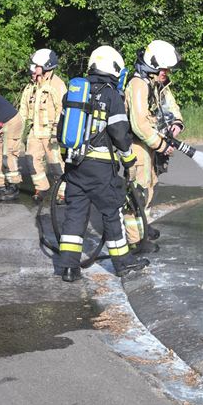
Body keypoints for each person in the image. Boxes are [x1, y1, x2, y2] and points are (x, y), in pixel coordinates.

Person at [55, 46, 150, 282]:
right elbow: (119, 132)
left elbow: (61, 131)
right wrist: (129, 159)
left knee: (75, 214)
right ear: (114, 68)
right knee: (112, 212)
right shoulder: (111, 95)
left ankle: (68, 268)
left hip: (74, 167)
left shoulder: (74, 92)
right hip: (100, 168)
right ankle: (124, 264)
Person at [123, 40, 185, 254]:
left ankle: (143, 228)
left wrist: (176, 123)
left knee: (149, 186)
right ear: (154, 65)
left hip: (149, 145)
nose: (167, 73)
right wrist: (161, 145)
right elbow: (139, 124)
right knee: (137, 193)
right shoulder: (138, 84)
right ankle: (135, 242)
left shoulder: (156, 83)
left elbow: (170, 104)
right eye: (164, 69)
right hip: (137, 145)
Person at [18, 48, 67, 203]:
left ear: (46, 65)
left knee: (55, 164)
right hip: (35, 131)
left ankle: (63, 192)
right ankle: (42, 187)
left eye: (36, 65)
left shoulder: (57, 84)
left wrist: (56, 131)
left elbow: (62, 109)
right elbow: (23, 110)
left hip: (51, 132)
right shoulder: (31, 86)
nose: (33, 68)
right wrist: (17, 130)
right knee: (31, 159)